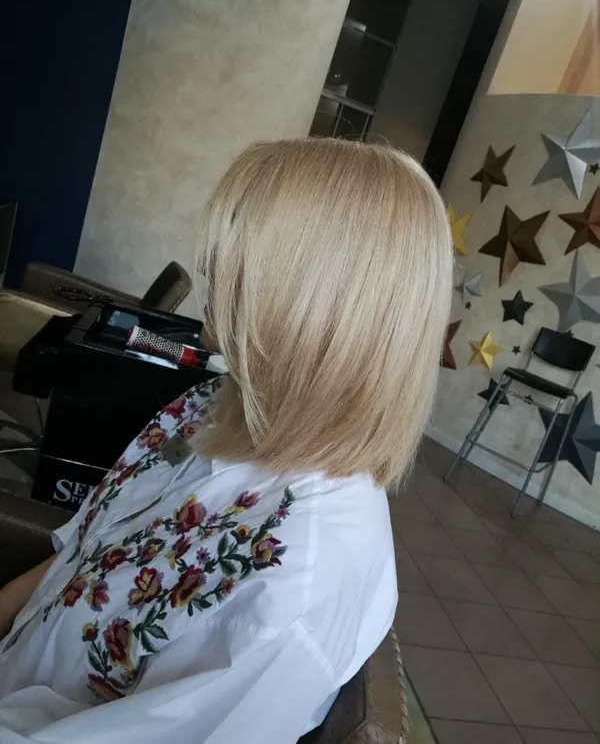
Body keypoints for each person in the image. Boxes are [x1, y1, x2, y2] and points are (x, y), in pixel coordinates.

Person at [0, 138, 452, 743]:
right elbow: (84, 552)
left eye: (239, 249)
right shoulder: (215, 402)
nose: (209, 262)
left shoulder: (293, 586)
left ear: (315, 304)